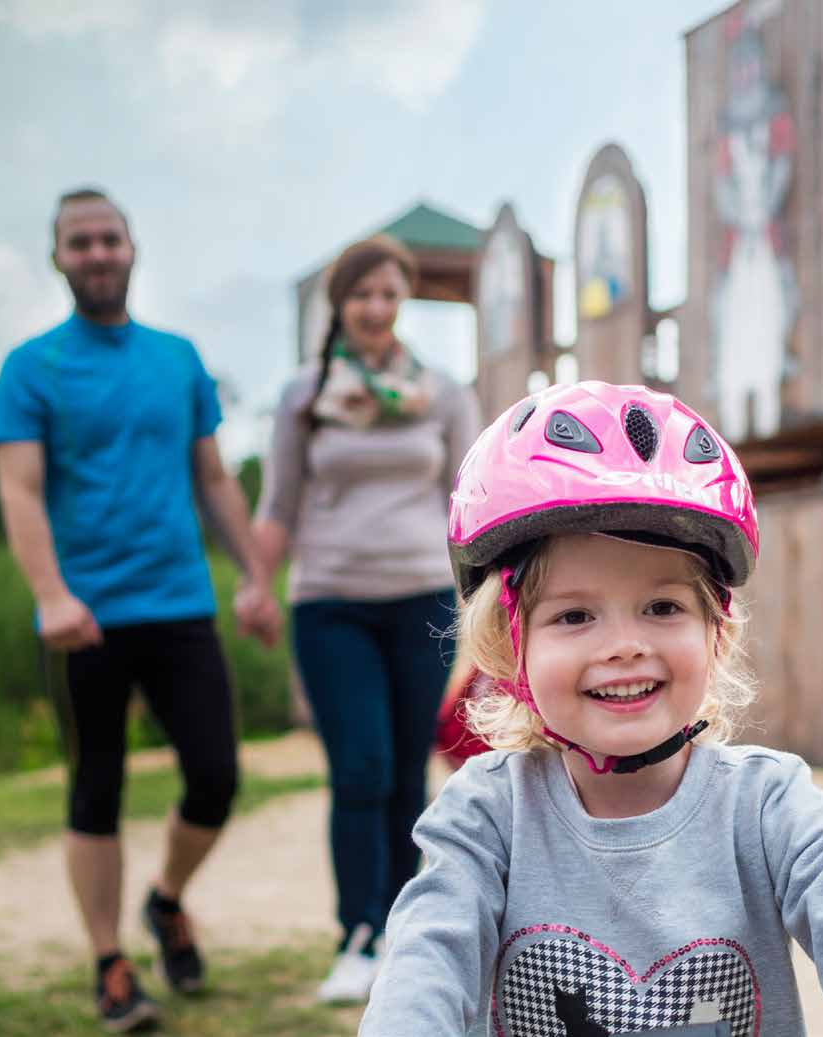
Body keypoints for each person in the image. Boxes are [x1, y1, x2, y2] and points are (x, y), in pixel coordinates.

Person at [358, 381, 823, 1037]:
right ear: (508, 648)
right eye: (573, 614)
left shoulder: (769, 805)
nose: (624, 644)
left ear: (718, 631)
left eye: (662, 606)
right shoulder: (484, 816)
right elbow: (424, 962)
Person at [0, 187, 281, 1033]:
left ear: (133, 247)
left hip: (180, 602)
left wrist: (256, 578)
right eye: (80, 242)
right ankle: (110, 962)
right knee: (96, 789)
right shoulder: (30, 368)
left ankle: (167, 899)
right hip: (85, 615)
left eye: (109, 238)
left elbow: (215, 480)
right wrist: (50, 595)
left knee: (217, 778)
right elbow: (20, 490)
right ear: (59, 258)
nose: (98, 253)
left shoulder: (177, 358)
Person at [253, 234, 481, 1003]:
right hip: (329, 600)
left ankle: (402, 929)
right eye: (362, 295)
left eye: (390, 294)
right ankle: (356, 932)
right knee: (360, 766)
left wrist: (499, 589)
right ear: (339, 304)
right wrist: (257, 582)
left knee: (406, 771)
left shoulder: (444, 392)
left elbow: (469, 498)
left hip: (420, 596)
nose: (377, 309)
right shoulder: (303, 395)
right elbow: (277, 502)